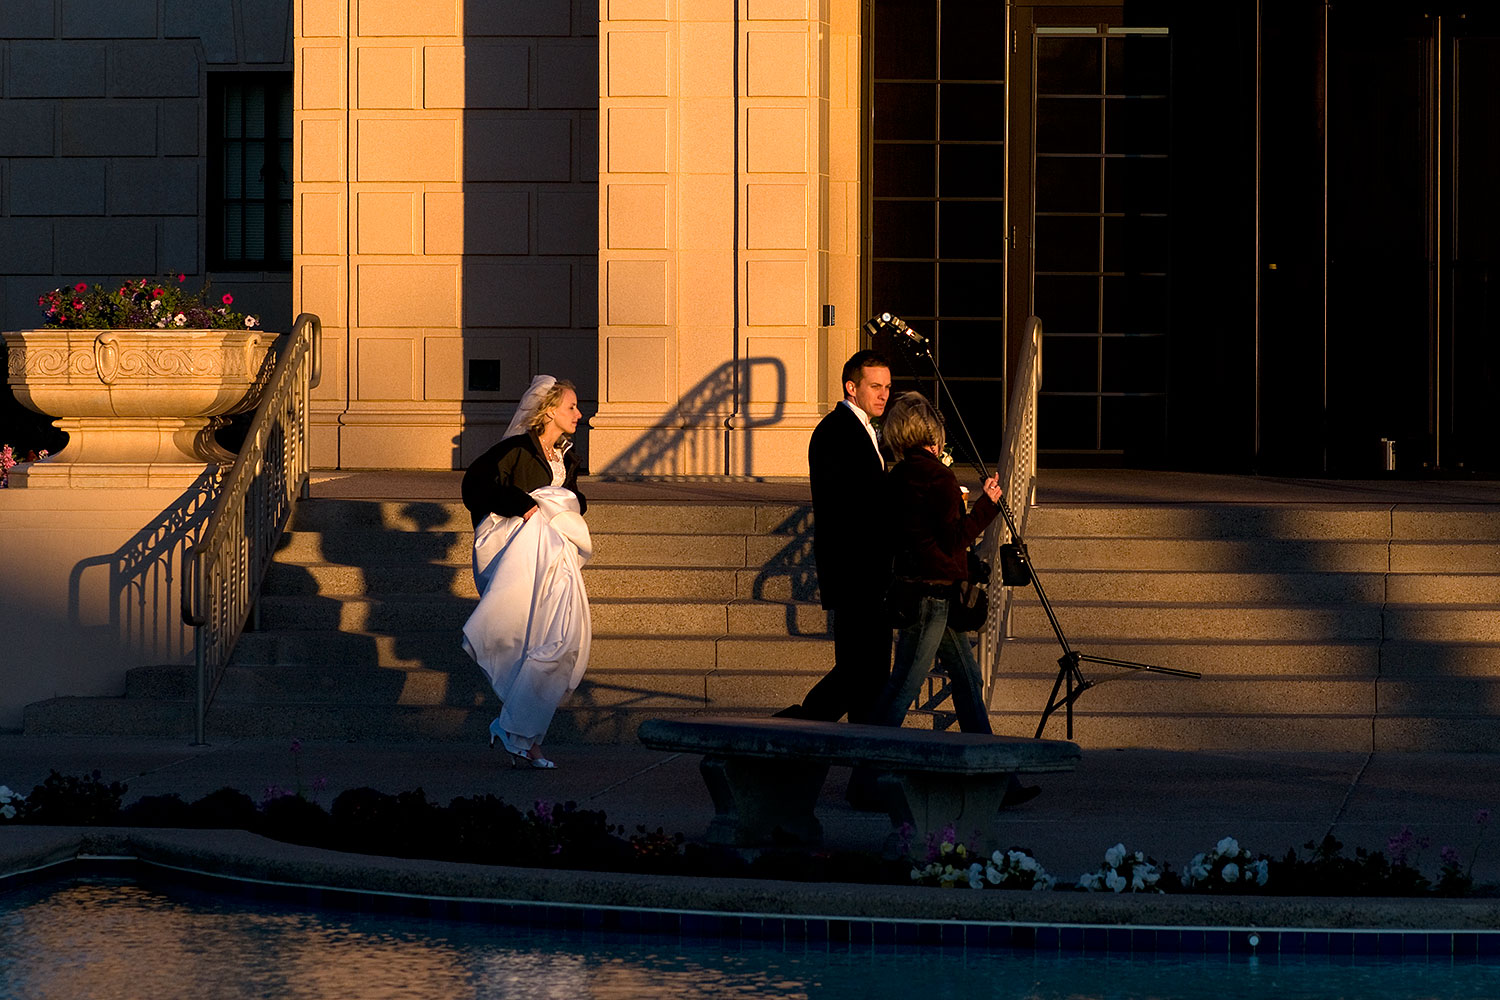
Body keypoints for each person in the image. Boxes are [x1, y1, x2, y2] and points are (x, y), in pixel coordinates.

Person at [460, 375, 591, 769]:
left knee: (563, 641)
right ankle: (523, 738)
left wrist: (569, 501)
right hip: (524, 554)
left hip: (556, 557)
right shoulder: (516, 449)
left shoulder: (565, 456)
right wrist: (524, 504)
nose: (578, 414)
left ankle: (515, 730)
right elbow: (474, 487)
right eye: (571, 406)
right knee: (536, 644)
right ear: (549, 410)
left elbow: (572, 497)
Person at [776, 350, 894, 724]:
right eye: (875, 386)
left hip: (868, 572)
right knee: (861, 670)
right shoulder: (835, 431)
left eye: (887, 387)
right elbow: (844, 506)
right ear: (851, 386)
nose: (883, 395)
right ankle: (798, 728)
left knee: (868, 672)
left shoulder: (862, 429)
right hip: (855, 571)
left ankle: (859, 754)